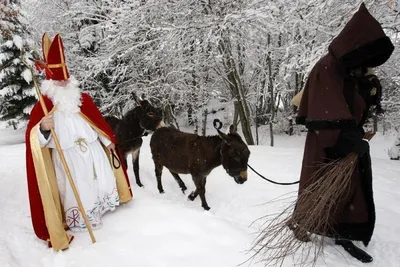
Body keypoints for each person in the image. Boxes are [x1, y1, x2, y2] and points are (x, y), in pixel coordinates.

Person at [290, 3, 394, 263]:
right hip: (326, 143)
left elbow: (356, 102)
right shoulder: (327, 68)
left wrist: (370, 95)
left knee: (348, 187)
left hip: (349, 140)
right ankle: (302, 222)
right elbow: (326, 110)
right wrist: (347, 139)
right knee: (318, 185)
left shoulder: (352, 70)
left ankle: (342, 229)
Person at [25, 33, 133, 251]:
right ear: (50, 82)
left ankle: (100, 208)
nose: (64, 83)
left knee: (97, 181)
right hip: (68, 158)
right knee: (79, 187)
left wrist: (107, 140)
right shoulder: (43, 107)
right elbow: (34, 141)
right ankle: (83, 218)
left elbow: (96, 122)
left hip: (92, 150)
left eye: (66, 79)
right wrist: (43, 128)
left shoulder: (82, 98)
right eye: (59, 80)